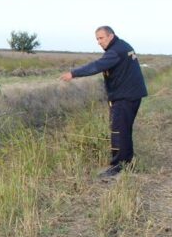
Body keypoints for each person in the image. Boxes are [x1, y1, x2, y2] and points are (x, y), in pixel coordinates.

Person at [61, 26, 148, 179]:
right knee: (124, 130)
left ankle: (117, 167)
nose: (99, 42)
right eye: (97, 39)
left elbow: (96, 66)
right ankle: (127, 163)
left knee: (118, 131)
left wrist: (73, 73)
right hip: (131, 95)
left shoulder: (115, 51)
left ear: (110, 36)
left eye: (101, 38)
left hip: (124, 97)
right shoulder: (123, 46)